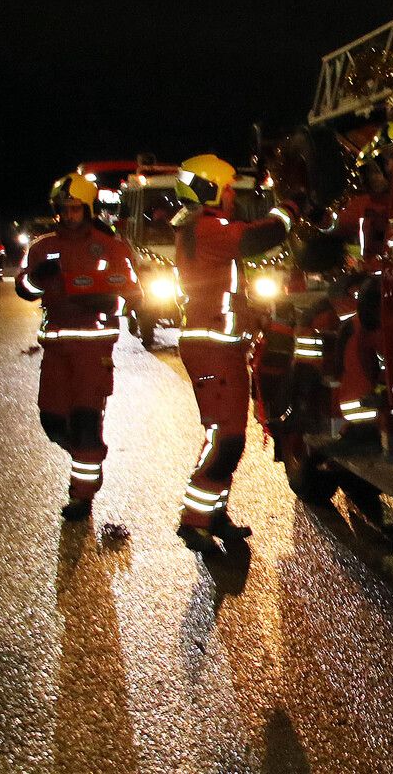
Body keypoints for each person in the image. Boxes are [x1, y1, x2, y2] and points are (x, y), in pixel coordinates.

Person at [172, 154, 294, 552]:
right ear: (210, 189)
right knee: (225, 439)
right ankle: (195, 520)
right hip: (212, 349)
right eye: (226, 190)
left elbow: (223, 288)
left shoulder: (198, 228)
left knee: (229, 436)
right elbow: (259, 237)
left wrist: (251, 314)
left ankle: (213, 513)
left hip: (219, 347)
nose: (231, 198)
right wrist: (288, 208)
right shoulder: (207, 228)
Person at [14, 173, 143, 520]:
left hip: (93, 349)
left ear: (88, 209)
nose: (69, 215)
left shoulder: (111, 246)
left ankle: (82, 495)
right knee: (52, 421)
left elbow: (134, 296)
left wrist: (104, 303)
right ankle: (87, 455)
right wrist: (38, 276)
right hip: (56, 346)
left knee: (87, 421)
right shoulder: (42, 247)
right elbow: (24, 288)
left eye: (75, 209)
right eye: (64, 209)